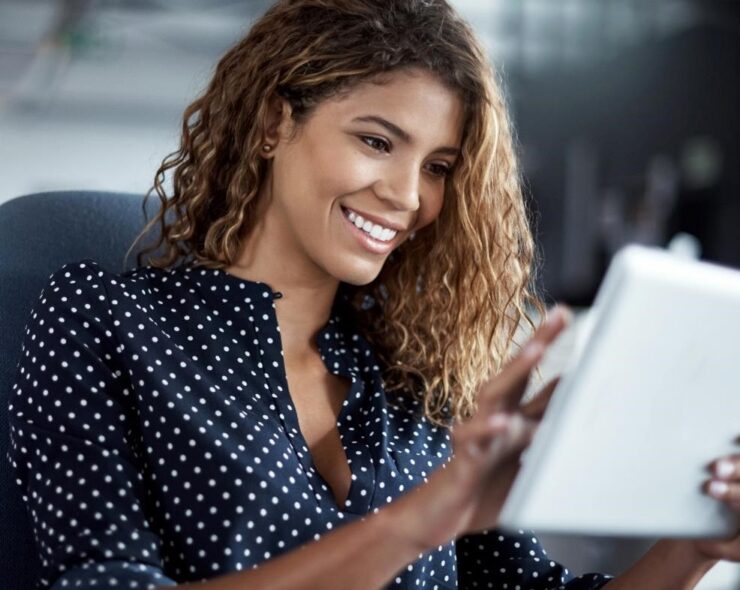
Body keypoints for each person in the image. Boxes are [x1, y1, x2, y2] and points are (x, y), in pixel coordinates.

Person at [6, 1, 740, 588]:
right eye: (378, 142)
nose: (407, 197)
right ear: (272, 122)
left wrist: (693, 549)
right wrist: (416, 524)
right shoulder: (104, 319)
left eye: (439, 167)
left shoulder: (415, 381)